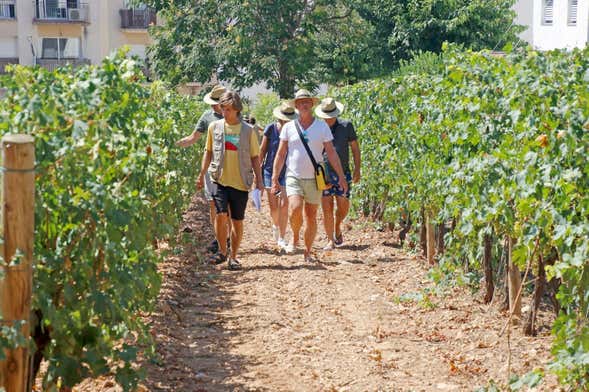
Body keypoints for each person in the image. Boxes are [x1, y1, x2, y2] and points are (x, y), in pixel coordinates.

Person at [271, 89, 348, 262]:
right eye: (300, 102)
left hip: (315, 177)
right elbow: (281, 154)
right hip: (294, 176)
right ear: (296, 106)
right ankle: (295, 235)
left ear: (312, 105)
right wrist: (275, 177)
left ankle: (307, 250)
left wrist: (341, 177)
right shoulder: (289, 127)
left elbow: (331, 153)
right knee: (295, 208)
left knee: (311, 214)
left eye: (307, 102)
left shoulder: (322, 127)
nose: (303, 105)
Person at [197, 91, 264, 270]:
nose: (224, 113)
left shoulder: (248, 131)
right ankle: (222, 250)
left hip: (241, 182)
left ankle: (233, 256)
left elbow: (255, 157)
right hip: (220, 180)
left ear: (236, 110)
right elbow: (208, 152)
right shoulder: (214, 128)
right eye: (222, 109)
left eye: (227, 110)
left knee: (237, 221)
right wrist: (201, 173)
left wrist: (259, 180)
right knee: (220, 216)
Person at [176, 85, 229, 254]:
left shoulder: (234, 116)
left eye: (217, 103)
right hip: (212, 166)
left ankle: (227, 237)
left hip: (231, 165)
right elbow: (193, 137)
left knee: (227, 204)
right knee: (213, 203)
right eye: (213, 103)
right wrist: (176, 144)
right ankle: (218, 238)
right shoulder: (207, 117)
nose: (213, 106)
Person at [315, 97, 361, 250]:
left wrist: (357, 169)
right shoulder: (318, 127)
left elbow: (355, 148)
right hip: (324, 173)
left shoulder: (346, 126)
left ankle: (337, 225)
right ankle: (330, 240)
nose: (328, 119)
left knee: (343, 205)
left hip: (344, 172)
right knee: (326, 206)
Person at [259, 101, 298, 250]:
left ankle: (282, 236)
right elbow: (262, 150)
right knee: (274, 206)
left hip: (288, 171)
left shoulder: (294, 130)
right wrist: (258, 172)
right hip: (270, 170)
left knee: (285, 204)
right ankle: (275, 225)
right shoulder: (270, 129)